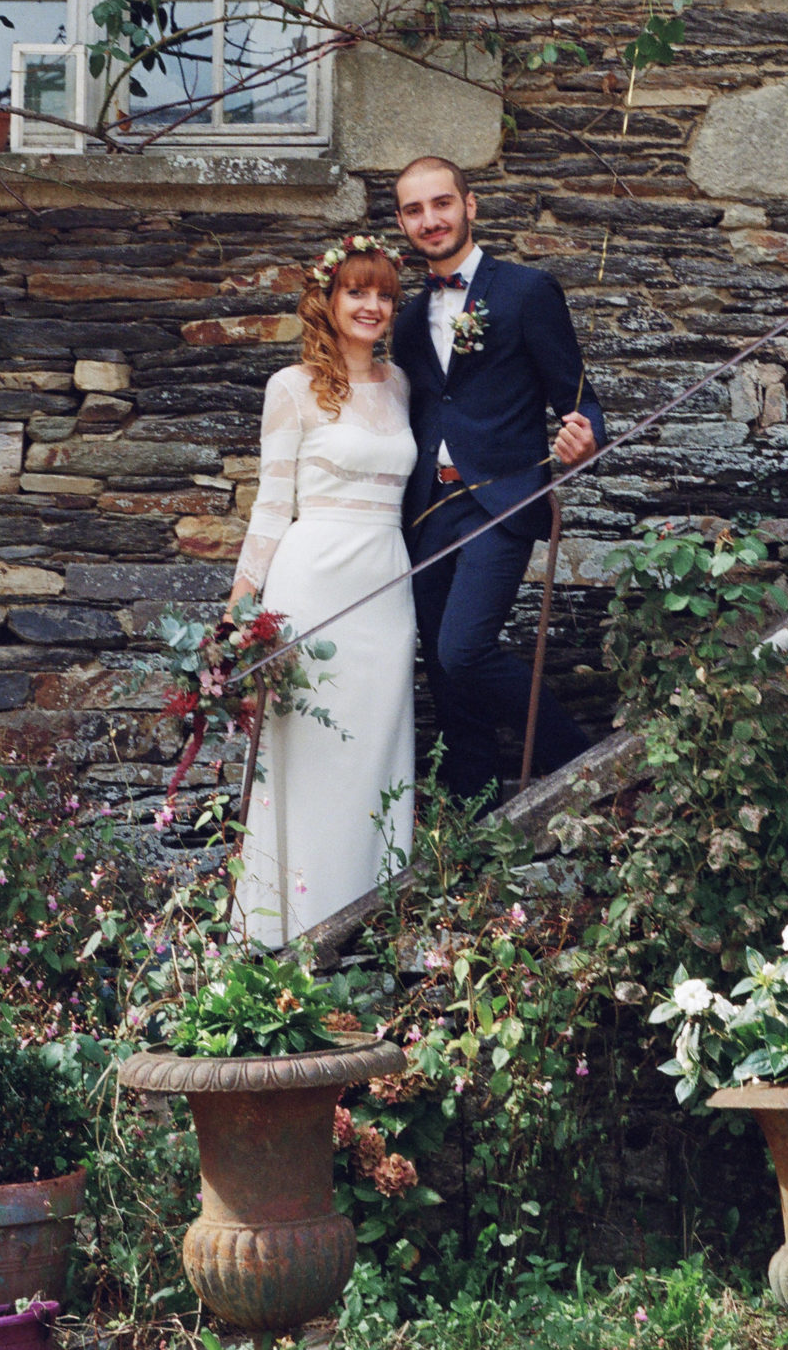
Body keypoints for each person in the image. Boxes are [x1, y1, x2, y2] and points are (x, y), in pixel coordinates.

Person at [390, 156, 604, 802]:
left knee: (464, 649)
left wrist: (585, 435)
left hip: (501, 500)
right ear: (402, 221)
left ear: (470, 205)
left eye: (441, 203)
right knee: (447, 681)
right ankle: (474, 820)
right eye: (414, 209)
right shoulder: (404, 321)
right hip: (428, 513)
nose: (431, 219)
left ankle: (585, 761)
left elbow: (581, 400)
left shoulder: (527, 291)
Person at [228, 234, 418, 945]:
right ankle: (284, 934)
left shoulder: (402, 385)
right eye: (356, 292)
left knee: (374, 751)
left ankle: (368, 928)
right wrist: (241, 606)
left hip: (385, 585)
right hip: (313, 581)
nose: (371, 305)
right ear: (328, 300)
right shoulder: (292, 386)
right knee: (307, 759)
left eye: (384, 294)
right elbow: (273, 504)